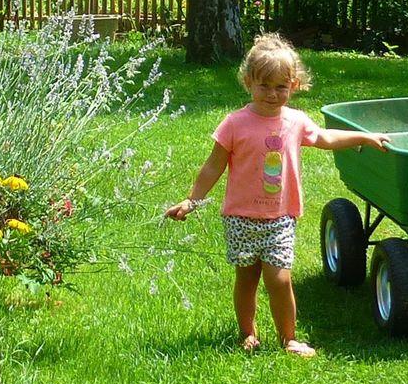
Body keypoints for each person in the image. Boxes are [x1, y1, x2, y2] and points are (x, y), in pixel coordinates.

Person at [166, 34, 387, 356]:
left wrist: (364, 138)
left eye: (281, 86)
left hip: (280, 217)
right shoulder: (234, 124)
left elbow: (325, 137)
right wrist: (192, 200)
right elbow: (213, 166)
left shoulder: (295, 121)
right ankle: (247, 334)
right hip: (240, 217)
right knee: (247, 279)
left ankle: (289, 339)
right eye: (264, 85)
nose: (272, 94)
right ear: (248, 82)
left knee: (280, 280)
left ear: (294, 85)